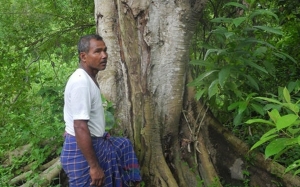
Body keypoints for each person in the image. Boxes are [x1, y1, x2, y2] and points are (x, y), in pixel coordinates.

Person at [60, 34, 142, 187]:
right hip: (81, 154)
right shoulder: (81, 82)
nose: (104, 56)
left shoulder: (88, 78)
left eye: (105, 51)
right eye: (97, 52)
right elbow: (79, 125)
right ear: (83, 56)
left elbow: (76, 116)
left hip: (93, 142)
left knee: (123, 144)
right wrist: (94, 166)